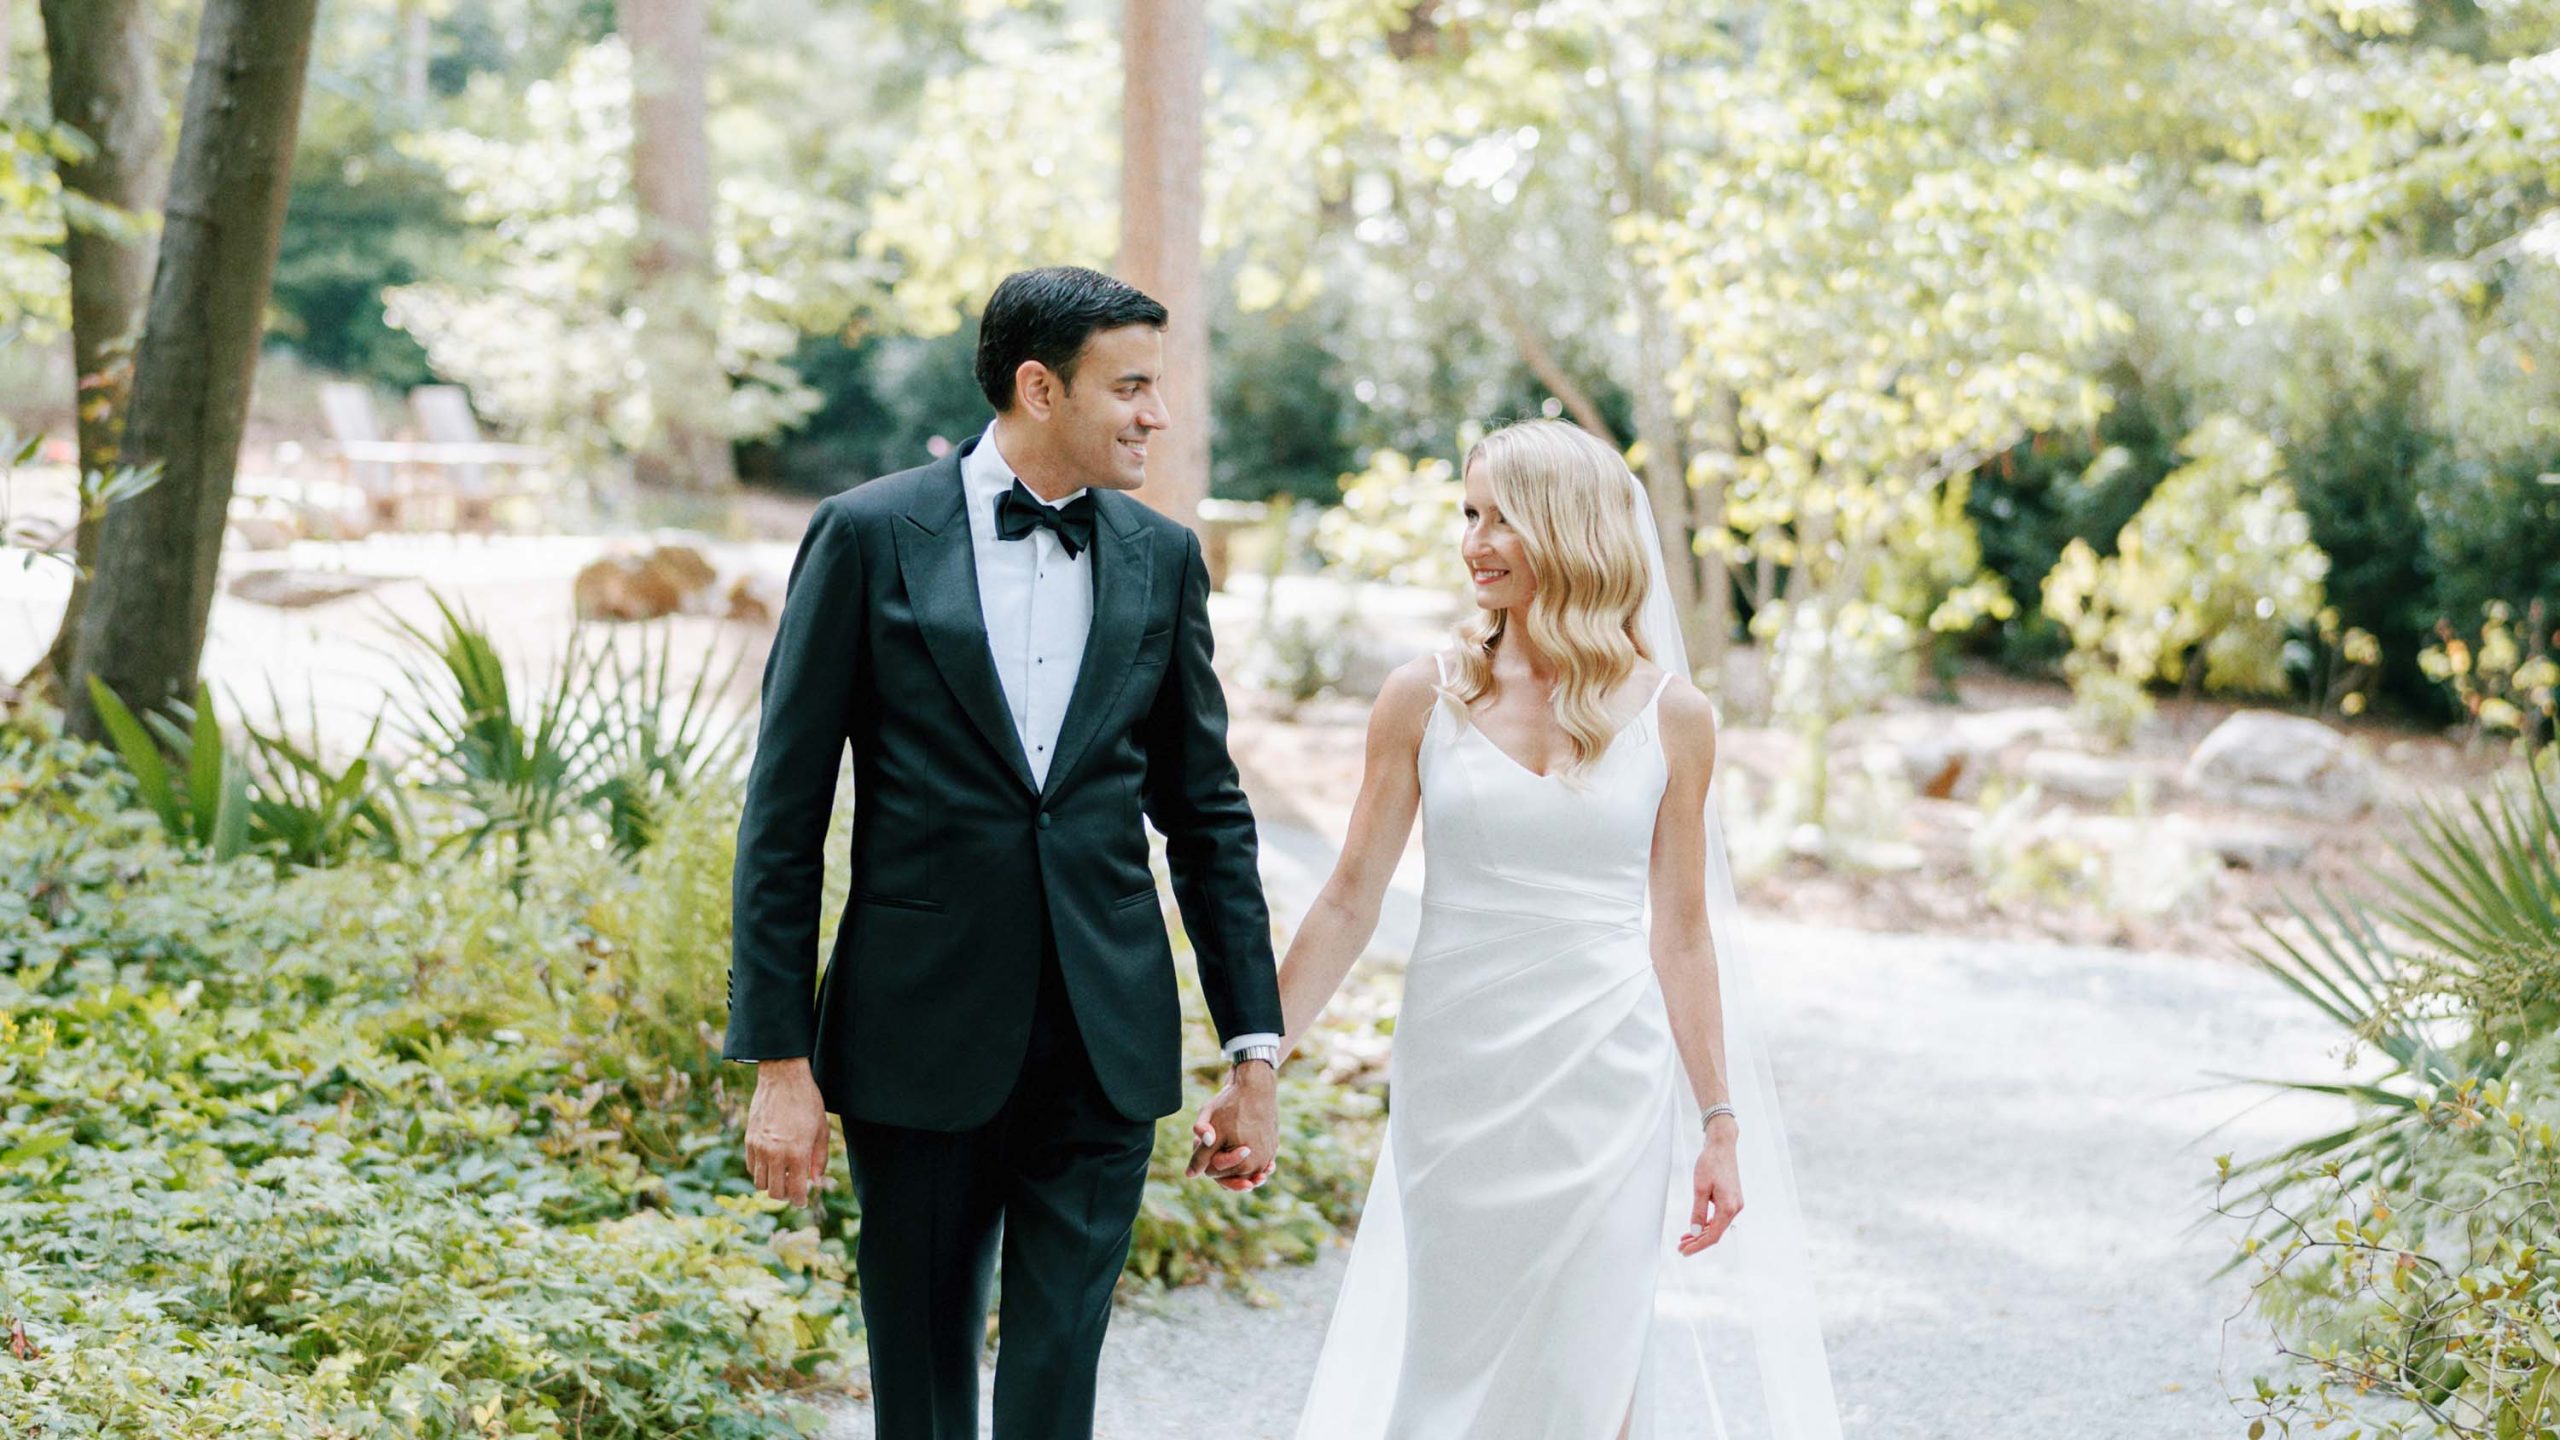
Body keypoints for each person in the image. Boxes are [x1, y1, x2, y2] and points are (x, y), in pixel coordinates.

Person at [722, 265, 1285, 1440]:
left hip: (1103, 1036)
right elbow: (784, 810)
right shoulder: (868, 535)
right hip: (914, 1034)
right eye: (1128, 387)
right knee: (920, 1373)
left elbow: (1208, 815)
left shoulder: (1161, 557)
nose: (1156, 416)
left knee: (1056, 1376)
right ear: (1039, 387)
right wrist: (779, 1059)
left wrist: (1253, 1050)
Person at [1270, 418, 1842, 1437]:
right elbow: (1351, 894)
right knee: (1452, 1359)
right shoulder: (1421, 696)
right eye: (1469, 514)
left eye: (1501, 518)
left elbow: (1681, 932)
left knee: (1592, 1363)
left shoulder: (1676, 717)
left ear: (1571, 530)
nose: (1474, 541)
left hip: (1604, 1082)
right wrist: (1260, 1060)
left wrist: (1717, 1122)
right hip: (1458, 1077)